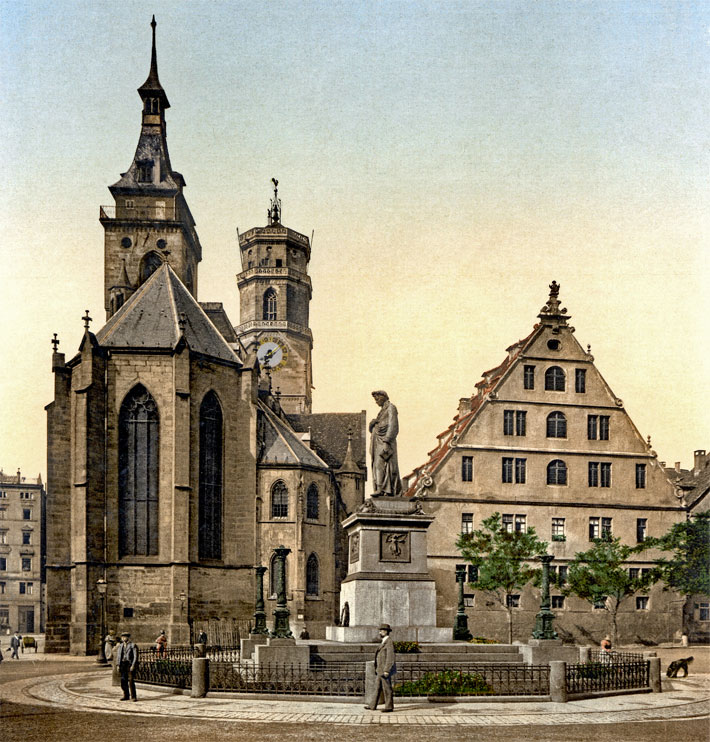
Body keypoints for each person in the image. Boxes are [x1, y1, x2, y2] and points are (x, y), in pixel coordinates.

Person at [369, 391, 402, 497]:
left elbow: (393, 425)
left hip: (385, 442)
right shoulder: (381, 411)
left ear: (383, 397)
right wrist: (372, 425)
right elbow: (378, 426)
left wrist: (387, 441)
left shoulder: (391, 408)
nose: (376, 402)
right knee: (377, 465)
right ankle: (380, 489)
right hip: (377, 442)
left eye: (377, 399)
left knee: (382, 465)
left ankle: (383, 489)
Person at [364, 623, 396, 713]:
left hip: (384, 670)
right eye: (380, 630)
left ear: (386, 632)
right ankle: (372, 705)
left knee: (387, 688)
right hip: (380, 669)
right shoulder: (384, 641)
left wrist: (387, 670)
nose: (380, 632)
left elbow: (390, 657)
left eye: (381, 631)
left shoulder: (389, 642)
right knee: (377, 688)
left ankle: (389, 707)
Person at [114, 631, 139, 701]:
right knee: (123, 680)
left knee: (131, 680)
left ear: (128, 638)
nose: (124, 638)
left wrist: (133, 665)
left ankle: (133, 696)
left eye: (125, 637)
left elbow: (135, 656)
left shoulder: (133, 645)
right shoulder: (120, 646)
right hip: (123, 664)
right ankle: (126, 695)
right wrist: (118, 665)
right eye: (123, 637)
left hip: (129, 664)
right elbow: (118, 656)